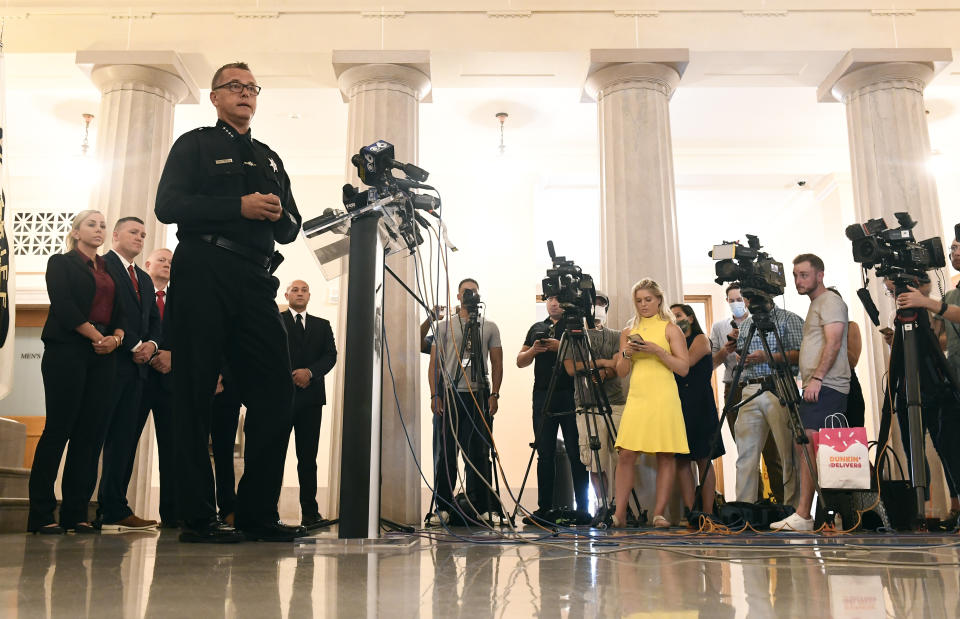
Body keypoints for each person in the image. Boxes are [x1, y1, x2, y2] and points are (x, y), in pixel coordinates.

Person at [155, 61, 304, 543]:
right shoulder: (195, 144)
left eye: (251, 87)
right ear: (215, 97)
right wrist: (235, 207)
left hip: (256, 278)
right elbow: (169, 206)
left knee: (275, 393)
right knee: (194, 392)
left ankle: (257, 513)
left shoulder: (270, 157)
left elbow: (291, 224)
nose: (245, 93)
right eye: (234, 86)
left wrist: (280, 216)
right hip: (204, 268)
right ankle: (197, 517)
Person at [28, 210, 125, 534]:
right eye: (91, 225)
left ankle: (76, 513)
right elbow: (64, 305)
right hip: (67, 350)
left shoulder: (109, 268)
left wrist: (116, 339)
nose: (98, 230)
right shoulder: (61, 263)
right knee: (59, 430)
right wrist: (97, 336)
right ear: (75, 231)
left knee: (90, 435)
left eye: (102, 226)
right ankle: (42, 514)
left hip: (103, 355)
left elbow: (121, 313)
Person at [772, 254, 849, 532]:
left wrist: (817, 377)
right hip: (817, 385)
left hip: (827, 385)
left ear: (820, 275)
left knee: (811, 443)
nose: (798, 280)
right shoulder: (817, 304)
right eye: (795, 275)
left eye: (804, 274)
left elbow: (835, 341)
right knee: (806, 444)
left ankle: (805, 514)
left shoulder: (830, 301)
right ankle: (805, 513)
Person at [96, 217, 161, 531]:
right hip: (110, 365)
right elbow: (105, 314)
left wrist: (150, 344)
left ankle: (115, 508)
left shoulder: (145, 279)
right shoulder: (103, 266)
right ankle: (81, 507)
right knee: (95, 439)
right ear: (116, 234)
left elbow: (153, 322)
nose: (140, 237)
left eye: (144, 234)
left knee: (124, 442)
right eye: (134, 232)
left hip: (138, 373)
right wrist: (133, 344)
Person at [612, 279, 690, 528]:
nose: (643, 305)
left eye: (648, 299)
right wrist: (626, 354)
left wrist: (658, 351)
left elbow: (684, 368)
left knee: (665, 454)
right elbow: (621, 372)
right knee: (626, 454)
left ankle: (659, 514)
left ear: (658, 300)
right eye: (639, 301)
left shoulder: (671, 329)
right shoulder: (628, 330)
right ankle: (619, 513)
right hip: (638, 397)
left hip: (664, 396)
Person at [428, 278, 503, 525]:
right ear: (458, 297)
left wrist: (495, 394)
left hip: (478, 393)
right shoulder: (443, 327)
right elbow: (434, 364)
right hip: (450, 393)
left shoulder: (489, 326)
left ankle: (482, 506)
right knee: (446, 452)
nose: (469, 295)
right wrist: (434, 394)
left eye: (473, 292)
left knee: (479, 452)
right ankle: (444, 507)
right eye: (465, 292)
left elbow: (497, 362)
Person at [517, 293, 589, 522]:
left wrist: (561, 347)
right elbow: (520, 361)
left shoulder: (575, 326)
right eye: (549, 299)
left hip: (570, 394)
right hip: (542, 394)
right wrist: (533, 351)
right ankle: (544, 509)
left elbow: (586, 358)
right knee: (544, 453)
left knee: (576, 452)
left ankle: (583, 509)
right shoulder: (537, 327)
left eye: (558, 299)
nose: (553, 303)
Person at [710, 283, 784, 502]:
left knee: (773, 452)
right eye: (732, 300)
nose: (737, 304)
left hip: (765, 383)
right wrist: (726, 350)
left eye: (740, 299)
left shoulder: (767, 322)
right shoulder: (720, 327)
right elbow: (711, 363)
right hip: (734, 387)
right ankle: (754, 505)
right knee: (746, 452)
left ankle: (783, 504)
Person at [733, 290, 804, 510]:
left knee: (787, 453)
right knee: (745, 455)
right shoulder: (745, 325)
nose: (749, 301)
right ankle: (744, 509)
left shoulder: (789, 319)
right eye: (746, 296)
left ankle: (792, 508)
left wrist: (768, 356)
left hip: (779, 385)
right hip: (749, 386)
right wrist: (741, 359)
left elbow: (802, 354)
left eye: (752, 295)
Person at [281, 280, 337, 529]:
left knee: (307, 458)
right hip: (281, 396)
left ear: (310, 296)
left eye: (304, 289)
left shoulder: (322, 325)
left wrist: (310, 372)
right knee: (275, 456)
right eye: (295, 289)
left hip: (311, 399)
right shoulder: (276, 319)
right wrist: (292, 374)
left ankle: (310, 513)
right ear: (287, 294)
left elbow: (330, 356)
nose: (300, 293)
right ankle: (269, 511)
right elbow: (269, 351)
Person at [562, 292, 625, 510]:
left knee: (621, 458)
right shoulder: (572, 335)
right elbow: (572, 368)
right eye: (593, 303)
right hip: (587, 404)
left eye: (602, 304)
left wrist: (605, 371)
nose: (597, 307)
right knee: (594, 461)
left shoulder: (617, 335)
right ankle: (601, 505)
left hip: (615, 403)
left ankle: (620, 505)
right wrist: (602, 363)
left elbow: (619, 366)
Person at [670, 303, 725, 517]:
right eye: (671, 317)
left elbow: (687, 363)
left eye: (679, 315)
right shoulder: (672, 344)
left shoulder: (701, 339)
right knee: (682, 460)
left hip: (701, 404)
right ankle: (692, 511)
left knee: (704, 458)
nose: (675, 320)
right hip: (679, 404)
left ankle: (708, 512)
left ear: (691, 318)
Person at [138, 248, 178, 527]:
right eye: (161, 259)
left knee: (172, 449)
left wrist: (172, 355)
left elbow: (188, 333)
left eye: (171, 262)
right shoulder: (136, 291)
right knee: (124, 442)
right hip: (137, 376)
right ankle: (112, 507)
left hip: (170, 380)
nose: (166, 264)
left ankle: (173, 515)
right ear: (147, 264)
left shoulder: (180, 298)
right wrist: (151, 354)